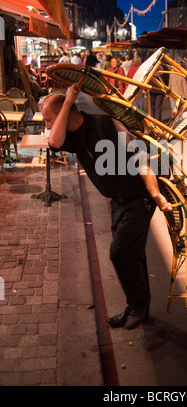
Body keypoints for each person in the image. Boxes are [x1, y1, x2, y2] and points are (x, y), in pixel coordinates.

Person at [40, 86, 172, 330]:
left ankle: (138, 307)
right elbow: (54, 142)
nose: (47, 125)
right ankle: (137, 307)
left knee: (120, 253)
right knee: (133, 256)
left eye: (49, 120)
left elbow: (141, 156)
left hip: (138, 198)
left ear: (64, 113)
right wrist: (67, 102)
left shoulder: (105, 125)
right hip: (118, 201)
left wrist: (155, 194)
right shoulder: (74, 137)